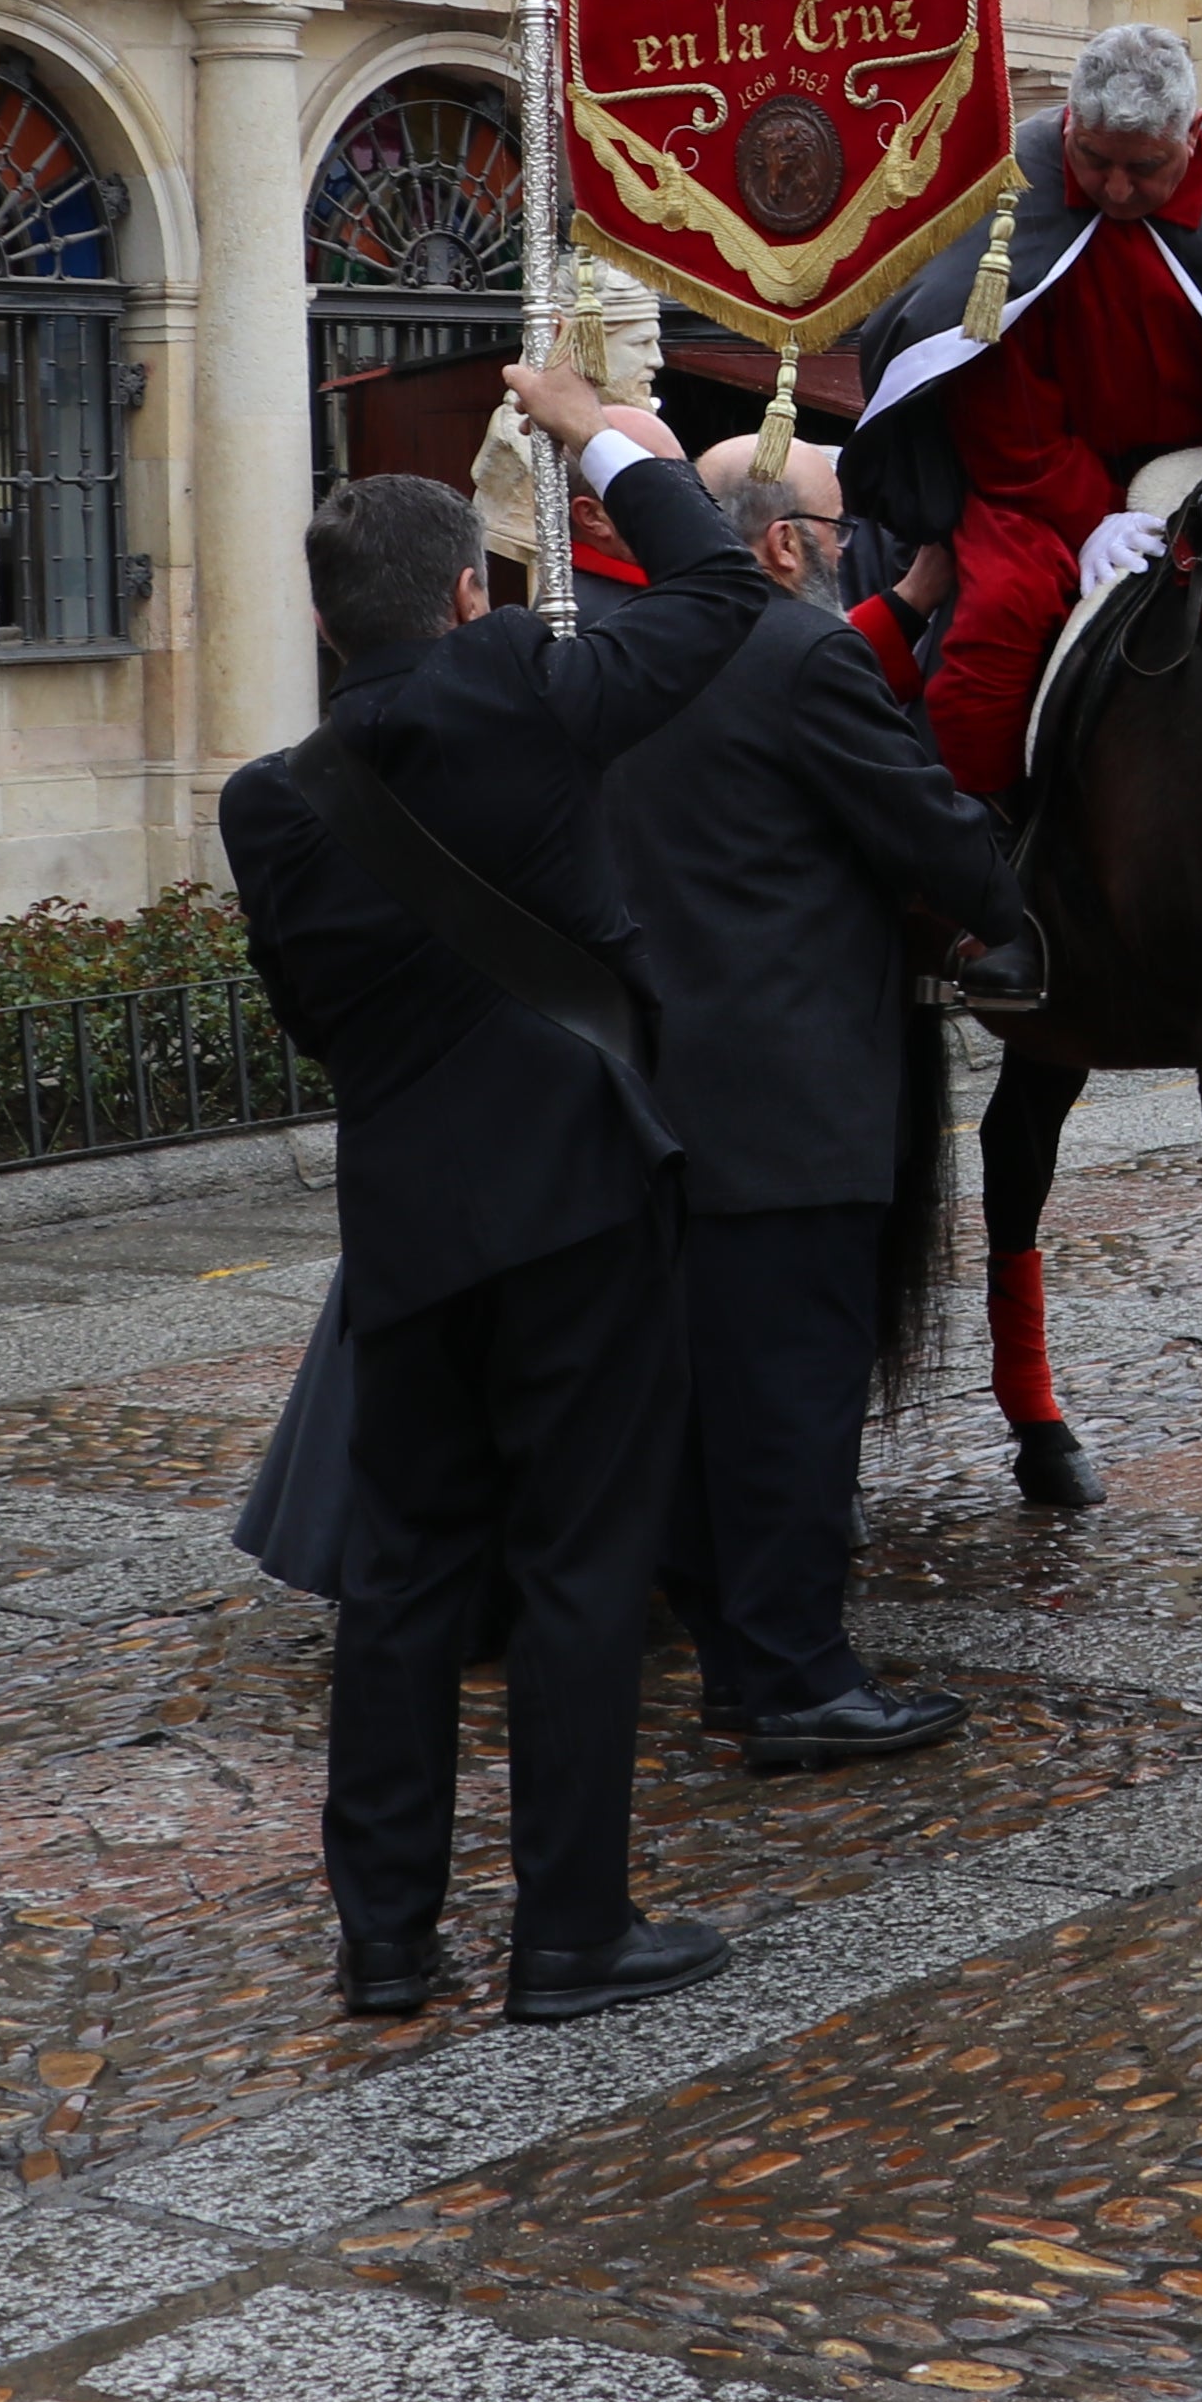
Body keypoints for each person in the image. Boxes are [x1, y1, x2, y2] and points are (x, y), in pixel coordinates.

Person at [215, 360, 764, 2033]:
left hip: (408, 1222)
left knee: (402, 1580)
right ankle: (570, 1934)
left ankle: (387, 1941)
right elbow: (722, 585)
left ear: (326, 622)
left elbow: (318, 1024)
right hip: (582, 1198)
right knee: (581, 1566)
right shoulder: (524, 679)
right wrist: (602, 427)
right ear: (469, 591)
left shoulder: (272, 805)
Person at [597, 436, 1034, 1774]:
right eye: (848, 529)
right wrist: (1013, 896)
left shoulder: (615, 658)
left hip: (654, 1097)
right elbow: (928, 830)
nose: (866, 553)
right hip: (790, 1101)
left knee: (699, 1408)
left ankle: (742, 1665)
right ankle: (795, 1680)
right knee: (791, 1404)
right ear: (780, 542)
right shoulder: (798, 657)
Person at [842, 22, 1202, 808]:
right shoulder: (1016, 181)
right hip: (1042, 482)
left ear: (1192, 137)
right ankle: (995, 843)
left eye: (1144, 169)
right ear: (1068, 125)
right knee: (995, 623)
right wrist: (1088, 520)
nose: (1113, 190)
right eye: (1094, 161)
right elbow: (1002, 403)